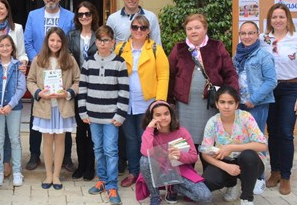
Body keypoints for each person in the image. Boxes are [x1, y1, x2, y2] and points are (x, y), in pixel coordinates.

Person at [168, 13, 239, 153]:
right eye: (189, 28)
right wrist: (169, 101)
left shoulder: (217, 46)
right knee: (186, 143)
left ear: (205, 29)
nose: (193, 31)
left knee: (209, 141)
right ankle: (188, 173)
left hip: (210, 104)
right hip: (185, 106)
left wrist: (231, 98)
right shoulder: (179, 48)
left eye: (197, 27)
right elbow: (170, 75)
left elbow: (229, 73)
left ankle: (210, 172)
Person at [24, 0, 75, 171]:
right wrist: (38, 62)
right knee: (37, 114)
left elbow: (71, 41)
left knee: (64, 113)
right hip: (40, 69)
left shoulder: (70, 17)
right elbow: (28, 41)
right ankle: (35, 155)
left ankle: (67, 157)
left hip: (62, 69)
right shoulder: (33, 15)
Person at [115, 15, 169, 188]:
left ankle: (149, 174)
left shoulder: (155, 49)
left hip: (147, 103)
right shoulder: (120, 48)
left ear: (148, 31)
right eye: (135, 27)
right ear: (131, 29)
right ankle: (133, 172)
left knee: (146, 137)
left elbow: (163, 76)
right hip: (125, 102)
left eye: (143, 28)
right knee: (130, 138)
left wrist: (159, 103)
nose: (139, 31)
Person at [78, 25, 129, 205]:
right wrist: (82, 111)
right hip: (93, 116)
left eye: (106, 40)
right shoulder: (89, 62)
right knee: (98, 149)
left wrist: (120, 114)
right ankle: (102, 180)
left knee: (111, 150)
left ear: (113, 42)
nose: (102, 43)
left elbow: (124, 91)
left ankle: (112, 185)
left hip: (111, 118)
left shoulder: (119, 63)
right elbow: (82, 88)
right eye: (99, 40)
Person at [200, 86, 267, 205]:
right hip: (227, 162)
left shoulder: (245, 117)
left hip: (251, 162)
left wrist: (232, 147)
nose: (226, 106)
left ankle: (247, 200)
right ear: (217, 103)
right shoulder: (212, 122)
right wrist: (226, 167)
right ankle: (232, 184)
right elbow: (205, 153)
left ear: (237, 104)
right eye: (222, 102)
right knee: (209, 181)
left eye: (231, 102)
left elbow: (262, 145)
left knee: (248, 155)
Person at [27, 27, 79, 190]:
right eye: (52, 40)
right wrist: (38, 92)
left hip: (63, 106)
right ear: (47, 41)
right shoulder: (38, 59)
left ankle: (57, 175)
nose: (55, 44)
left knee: (61, 140)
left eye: (58, 40)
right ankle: (48, 174)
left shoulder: (70, 60)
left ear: (63, 42)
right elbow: (30, 80)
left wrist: (69, 92)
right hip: (45, 106)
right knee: (47, 141)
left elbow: (78, 80)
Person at [0, 0, 28, 179]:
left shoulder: (17, 28)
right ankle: (0, 169)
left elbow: (22, 52)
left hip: (13, 80)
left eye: (2, 8)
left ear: (7, 10)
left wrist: (22, 64)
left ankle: (15, 169)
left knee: (14, 137)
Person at [139, 101, 211, 205]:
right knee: (144, 160)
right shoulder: (150, 133)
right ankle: (155, 196)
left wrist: (180, 155)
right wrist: (149, 129)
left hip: (180, 172)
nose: (163, 118)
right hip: (159, 171)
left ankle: (173, 187)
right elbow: (145, 153)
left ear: (171, 114)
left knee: (204, 196)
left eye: (166, 114)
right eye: (158, 115)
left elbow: (193, 157)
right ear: (151, 117)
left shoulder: (182, 131)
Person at [234, 21, 277, 194]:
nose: (247, 36)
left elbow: (271, 81)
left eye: (251, 33)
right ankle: (244, 176)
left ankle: (259, 177)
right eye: (243, 33)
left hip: (256, 105)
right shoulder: (237, 55)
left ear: (257, 34)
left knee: (256, 141)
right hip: (241, 105)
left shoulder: (263, 55)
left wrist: (254, 99)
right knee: (241, 141)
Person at [259, 3, 297, 195]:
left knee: (285, 132)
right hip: (270, 89)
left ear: (287, 19)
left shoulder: (295, 38)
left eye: (281, 17)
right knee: (272, 132)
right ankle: (274, 172)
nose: (278, 20)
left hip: (291, 88)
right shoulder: (263, 39)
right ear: (270, 20)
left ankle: (286, 176)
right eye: (274, 17)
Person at [67, 1, 98, 180]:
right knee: (80, 129)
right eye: (81, 14)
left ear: (93, 15)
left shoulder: (99, 34)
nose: (84, 17)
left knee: (92, 128)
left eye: (87, 14)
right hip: (78, 86)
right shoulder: (71, 36)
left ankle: (91, 166)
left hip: (95, 86)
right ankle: (81, 164)